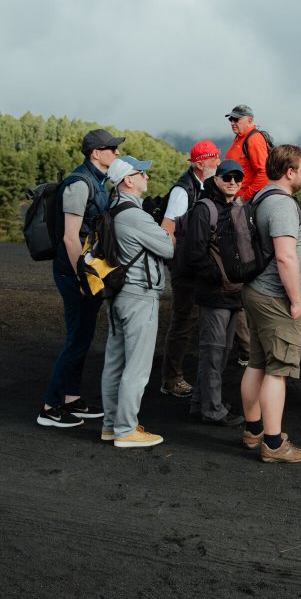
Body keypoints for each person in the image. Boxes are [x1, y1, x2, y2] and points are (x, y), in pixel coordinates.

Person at [36, 128, 119, 429]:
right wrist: (82, 279)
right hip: (74, 274)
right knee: (75, 340)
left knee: (81, 338)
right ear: (96, 153)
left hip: (85, 273)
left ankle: (71, 399)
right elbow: (71, 239)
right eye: (112, 148)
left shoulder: (95, 181)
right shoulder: (79, 185)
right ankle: (49, 407)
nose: (117, 153)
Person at [240, 144, 301, 463]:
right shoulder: (283, 205)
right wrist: (296, 301)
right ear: (289, 172)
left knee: (257, 362)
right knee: (277, 370)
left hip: (257, 290)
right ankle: (273, 444)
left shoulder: (260, 196)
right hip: (276, 297)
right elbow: (285, 256)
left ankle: (253, 430)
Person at [100, 155, 174, 448]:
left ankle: (110, 426)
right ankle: (126, 429)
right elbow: (167, 247)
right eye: (141, 173)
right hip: (138, 294)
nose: (147, 177)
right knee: (138, 366)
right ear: (128, 180)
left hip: (117, 293)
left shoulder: (113, 209)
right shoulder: (135, 215)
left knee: (115, 362)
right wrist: (164, 229)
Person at [183, 159, 247, 427]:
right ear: (217, 179)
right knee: (212, 352)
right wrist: (217, 277)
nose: (232, 182)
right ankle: (213, 410)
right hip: (215, 293)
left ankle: (201, 403)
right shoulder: (203, 208)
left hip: (233, 293)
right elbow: (193, 253)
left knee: (222, 351)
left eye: (237, 178)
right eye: (227, 177)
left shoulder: (237, 208)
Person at [159, 140, 218, 398]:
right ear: (199, 163)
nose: (217, 162)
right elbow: (167, 230)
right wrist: (179, 265)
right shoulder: (183, 191)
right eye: (213, 158)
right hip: (187, 268)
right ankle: (171, 380)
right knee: (184, 320)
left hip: (199, 265)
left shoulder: (204, 185)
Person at [223, 104, 270, 200]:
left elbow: (264, 173)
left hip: (243, 203)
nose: (232, 123)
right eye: (230, 119)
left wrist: (244, 198)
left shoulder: (254, 139)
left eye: (236, 119)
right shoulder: (240, 137)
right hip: (233, 198)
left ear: (250, 120)